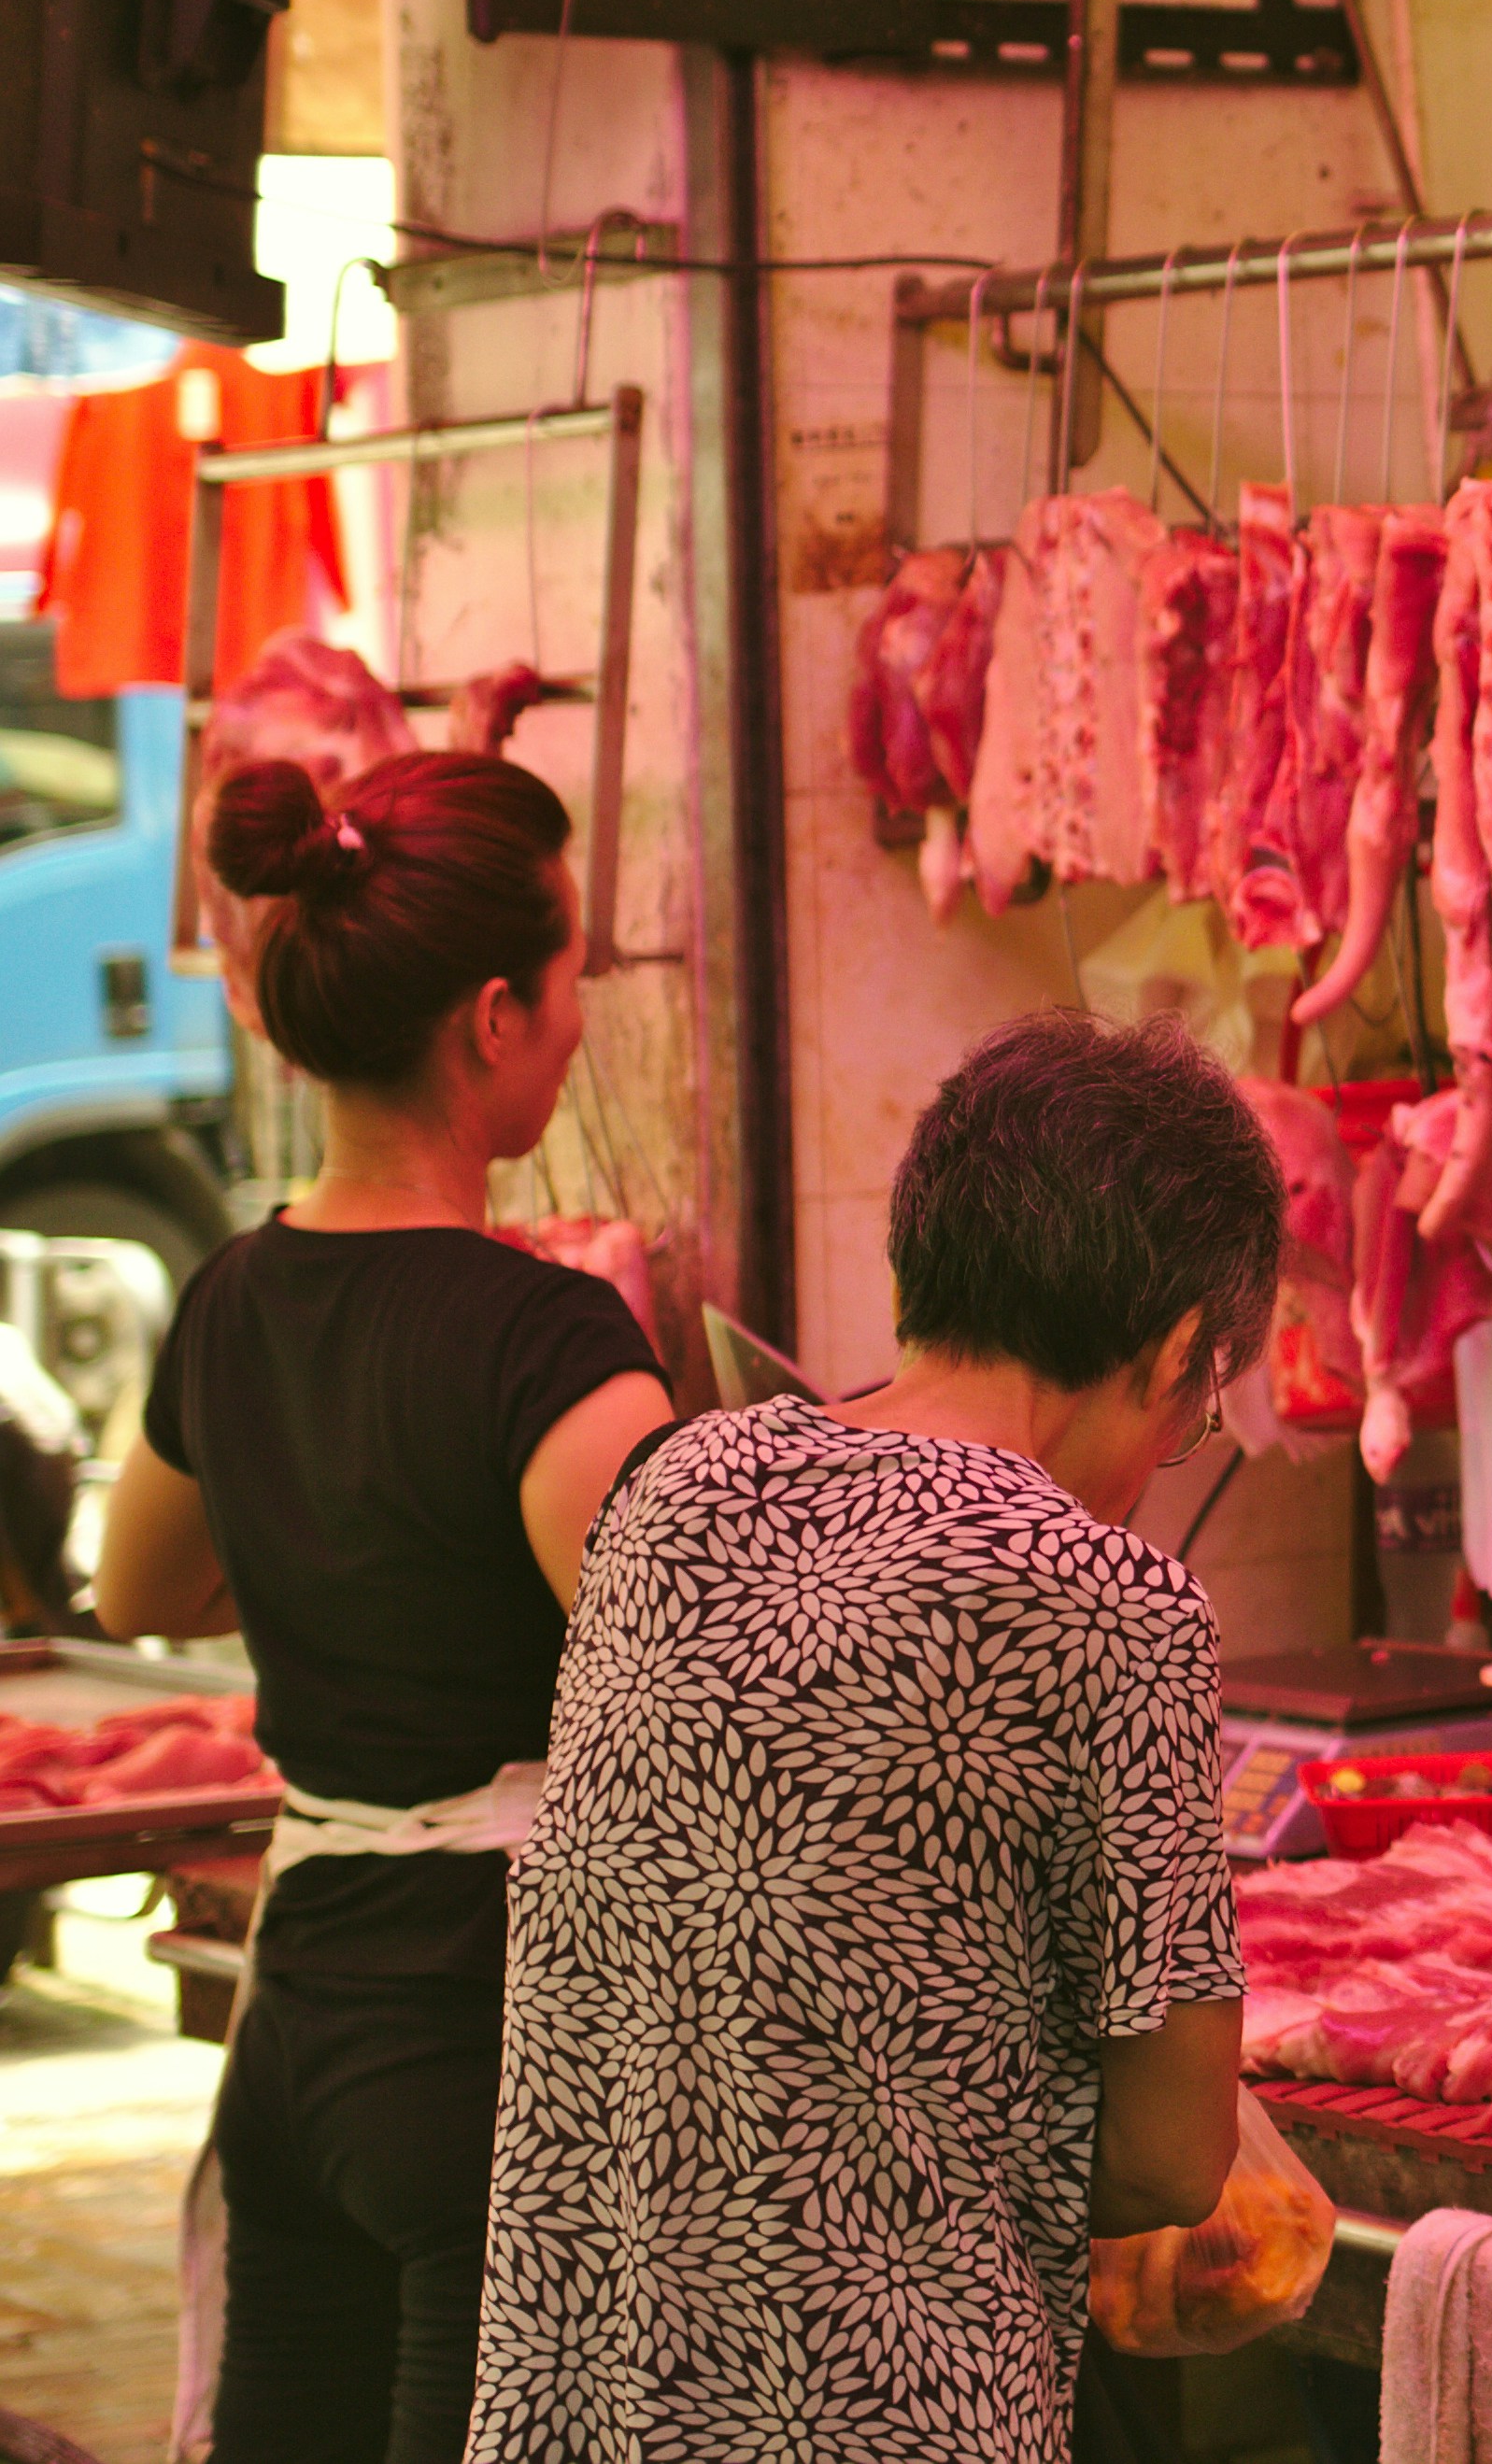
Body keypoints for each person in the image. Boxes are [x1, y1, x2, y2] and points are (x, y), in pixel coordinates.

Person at [465, 1008, 1280, 2464]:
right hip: (883, 2420)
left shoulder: (679, 1485)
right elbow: (1170, 2156)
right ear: (1172, 1353)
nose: (1164, 1468)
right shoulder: (1107, 1598)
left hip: (581, 2409)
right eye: (1192, 1419)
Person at [93, 754, 676, 2464]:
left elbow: (146, 1584)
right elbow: (701, 1707)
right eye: (574, 981)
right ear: (493, 1017)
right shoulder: (551, 1347)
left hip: (300, 2024)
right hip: (486, 2046)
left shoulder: (228, 1298)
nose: (578, 1023)